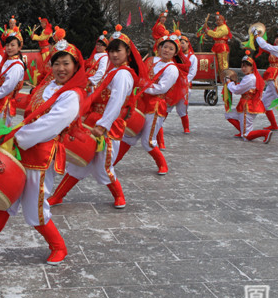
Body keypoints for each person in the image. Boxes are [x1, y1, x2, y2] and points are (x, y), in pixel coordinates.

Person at [0, 37, 85, 264]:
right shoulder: (49, 85)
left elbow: (50, 125)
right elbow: (33, 110)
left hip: (41, 155)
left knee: (35, 207)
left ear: (75, 66)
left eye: (66, 63)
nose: (61, 68)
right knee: (8, 196)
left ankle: (59, 247)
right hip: (25, 148)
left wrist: (16, 138)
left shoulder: (72, 95)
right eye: (56, 63)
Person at [49, 24, 145, 208]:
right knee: (79, 164)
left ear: (128, 52)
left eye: (118, 51)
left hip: (106, 129)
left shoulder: (123, 74)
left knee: (103, 166)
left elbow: (116, 102)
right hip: (94, 123)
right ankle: (58, 196)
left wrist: (103, 125)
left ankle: (119, 195)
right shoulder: (114, 72)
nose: (114, 55)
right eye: (111, 51)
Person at [119, 33, 183, 174]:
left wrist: (143, 87)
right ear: (160, 47)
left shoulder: (172, 69)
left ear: (175, 52)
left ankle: (162, 164)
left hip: (154, 106)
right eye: (165, 46)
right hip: (141, 102)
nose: (166, 50)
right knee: (129, 135)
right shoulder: (152, 60)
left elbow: (162, 88)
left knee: (147, 141)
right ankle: (112, 163)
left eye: (171, 49)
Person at [224, 51, 274, 143]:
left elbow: (237, 90)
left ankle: (265, 133)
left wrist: (229, 83)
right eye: (242, 66)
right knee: (229, 115)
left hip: (247, 107)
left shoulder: (250, 78)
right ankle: (242, 131)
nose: (244, 68)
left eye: (246, 66)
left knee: (246, 136)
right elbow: (241, 87)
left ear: (252, 67)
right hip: (245, 105)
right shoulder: (250, 77)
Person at [0, 28, 26, 127]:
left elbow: (7, 88)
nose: (9, 48)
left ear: (19, 47)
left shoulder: (17, 66)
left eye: (12, 45)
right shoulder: (7, 60)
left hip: (4, 104)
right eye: (7, 45)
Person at [173, 35, 199, 133]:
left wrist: (183, 81)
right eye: (179, 43)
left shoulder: (192, 57)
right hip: (173, 84)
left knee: (181, 109)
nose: (181, 45)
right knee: (166, 107)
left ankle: (186, 127)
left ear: (188, 43)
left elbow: (192, 72)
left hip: (184, 85)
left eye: (183, 43)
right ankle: (159, 125)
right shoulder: (175, 57)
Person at [203, 12, 231, 82]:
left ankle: (225, 78)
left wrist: (208, 31)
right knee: (216, 63)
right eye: (217, 20)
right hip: (217, 46)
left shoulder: (224, 27)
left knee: (222, 63)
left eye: (219, 20)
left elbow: (217, 35)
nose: (218, 21)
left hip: (222, 46)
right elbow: (213, 33)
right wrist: (207, 29)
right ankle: (218, 77)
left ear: (223, 20)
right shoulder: (217, 27)